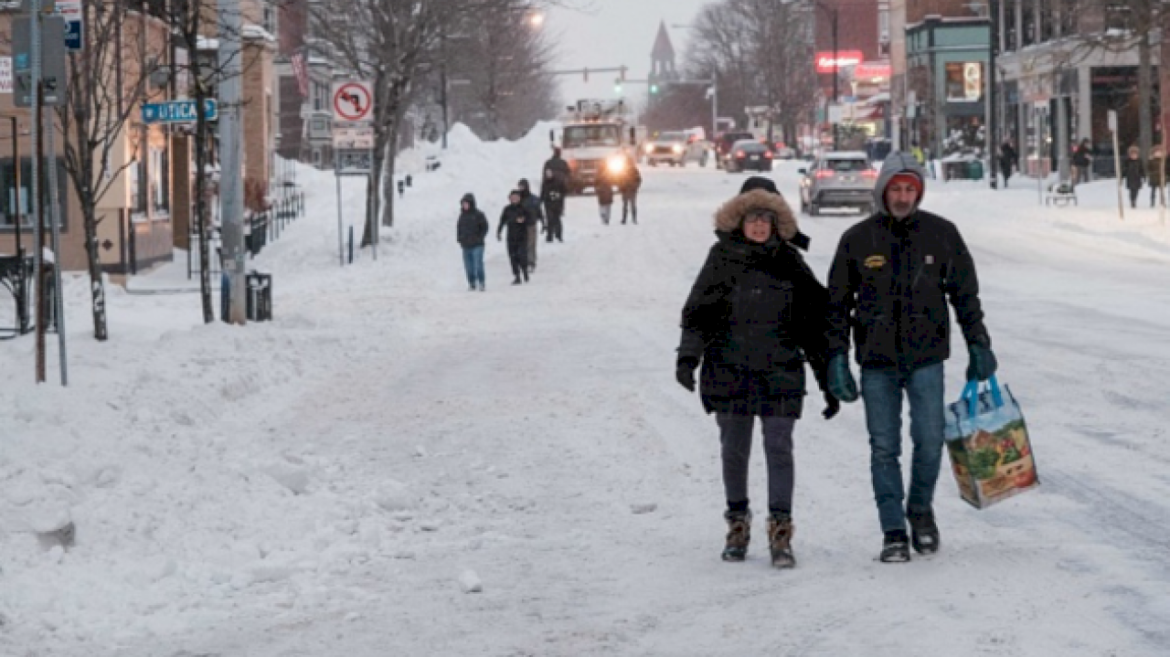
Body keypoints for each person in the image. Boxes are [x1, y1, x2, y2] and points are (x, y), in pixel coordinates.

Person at [825, 152, 996, 563]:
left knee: (930, 440)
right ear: (883, 190)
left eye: (910, 189)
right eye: (896, 189)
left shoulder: (942, 234)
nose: (902, 197)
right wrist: (836, 357)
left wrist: (979, 343)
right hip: (877, 361)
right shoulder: (857, 239)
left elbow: (965, 296)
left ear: (918, 192)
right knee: (884, 447)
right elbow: (836, 306)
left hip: (926, 357)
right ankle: (893, 531)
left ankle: (919, 510)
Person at [676, 176, 839, 569]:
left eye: (766, 218)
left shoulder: (791, 264)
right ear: (739, 219)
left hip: (779, 372)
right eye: (752, 217)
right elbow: (697, 314)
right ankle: (737, 524)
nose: (759, 225)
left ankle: (780, 531)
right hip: (729, 369)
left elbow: (814, 327)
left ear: (776, 221)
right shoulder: (721, 259)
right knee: (734, 450)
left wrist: (828, 380)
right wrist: (688, 358)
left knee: (779, 448)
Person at [497, 190, 531, 285]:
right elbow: (502, 221)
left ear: (519, 198)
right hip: (511, 236)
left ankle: (524, 270)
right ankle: (517, 276)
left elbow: (531, 219)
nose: (514, 199)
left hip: (522, 236)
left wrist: (524, 220)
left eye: (516, 197)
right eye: (512, 197)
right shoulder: (507, 209)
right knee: (513, 257)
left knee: (522, 255)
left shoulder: (524, 208)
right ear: (510, 199)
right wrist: (499, 232)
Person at [456, 193, 489, 291]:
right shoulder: (462, 216)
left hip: (477, 245)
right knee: (468, 266)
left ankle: (481, 282)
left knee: (478, 264)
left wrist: (480, 237)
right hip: (466, 245)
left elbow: (485, 227)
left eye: (466, 203)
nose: (464, 206)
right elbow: (459, 228)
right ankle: (472, 282)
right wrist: (459, 238)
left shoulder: (479, 215)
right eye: (463, 204)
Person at [541, 147, 570, 243]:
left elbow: (544, 181)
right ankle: (558, 235)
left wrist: (541, 197)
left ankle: (550, 236)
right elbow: (569, 176)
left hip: (548, 196)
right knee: (557, 216)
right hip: (559, 195)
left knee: (550, 216)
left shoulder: (548, 163)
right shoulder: (563, 164)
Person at [516, 178, 544, 273]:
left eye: (522, 186)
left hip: (531, 224)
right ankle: (523, 261)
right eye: (519, 186)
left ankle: (531, 262)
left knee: (531, 244)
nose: (521, 188)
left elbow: (539, 212)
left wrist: (543, 223)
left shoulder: (533, 199)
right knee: (521, 244)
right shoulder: (517, 199)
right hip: (520, 225)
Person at [619, 153, 642, 225]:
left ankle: (630, 219)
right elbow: (619, 180)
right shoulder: (625, 171)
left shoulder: (634, 170)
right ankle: (627, 219)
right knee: (628, 205)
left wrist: (635, 187)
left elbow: (638, 180)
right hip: (627, 189)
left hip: (630, 190)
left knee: (630, 205)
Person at [1121, 145, 1144, 209]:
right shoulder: (1127, 161)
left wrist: (1143, 175)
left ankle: (1134, 199)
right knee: (1131, 190)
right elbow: (1124, 169)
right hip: (1130, 177)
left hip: (1137, 177)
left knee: (1136, 190)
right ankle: (1132, 201)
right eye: (1132, 154)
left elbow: (1141, 169)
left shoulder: (1139, 161)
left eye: (1135, 154)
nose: (1134, 156)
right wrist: (1122, 176)